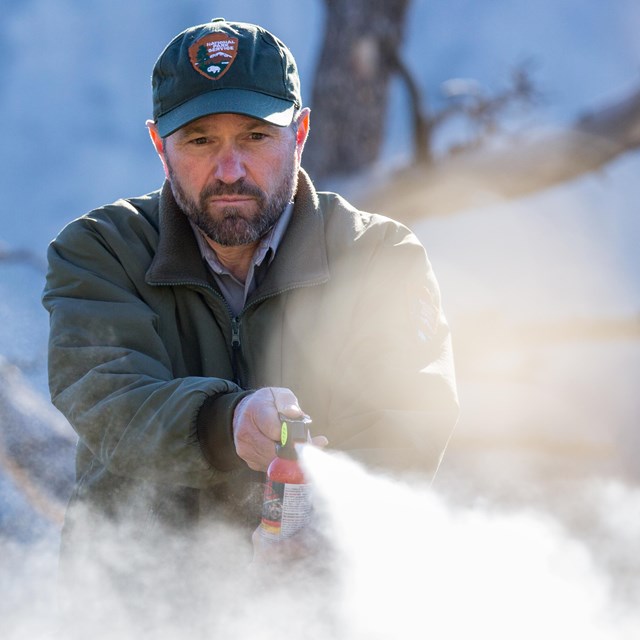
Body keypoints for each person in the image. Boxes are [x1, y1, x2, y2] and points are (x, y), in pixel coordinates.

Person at [42, 18, 458, 636]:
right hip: (129, 613)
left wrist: (322, 529)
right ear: (159, 144)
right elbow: (106, 397)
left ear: (302, 132)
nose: (231, 169)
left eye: (257, 136)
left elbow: (408, 419)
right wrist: (228, 423)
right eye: (200, 140)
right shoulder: (99, 251)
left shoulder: (379, 257)